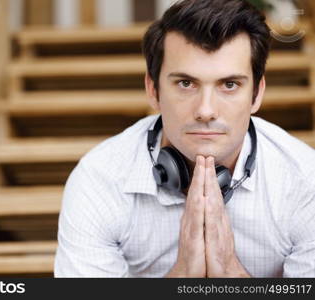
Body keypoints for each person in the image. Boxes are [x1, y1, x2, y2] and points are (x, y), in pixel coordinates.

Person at [54, 0, 315, 277]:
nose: (205, 110)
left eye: (229, 85)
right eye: (185, 83)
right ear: (153, 90)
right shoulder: (99, 180)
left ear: (257, 94)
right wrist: (182, 275)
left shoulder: (305, 180)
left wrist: (229, 271)